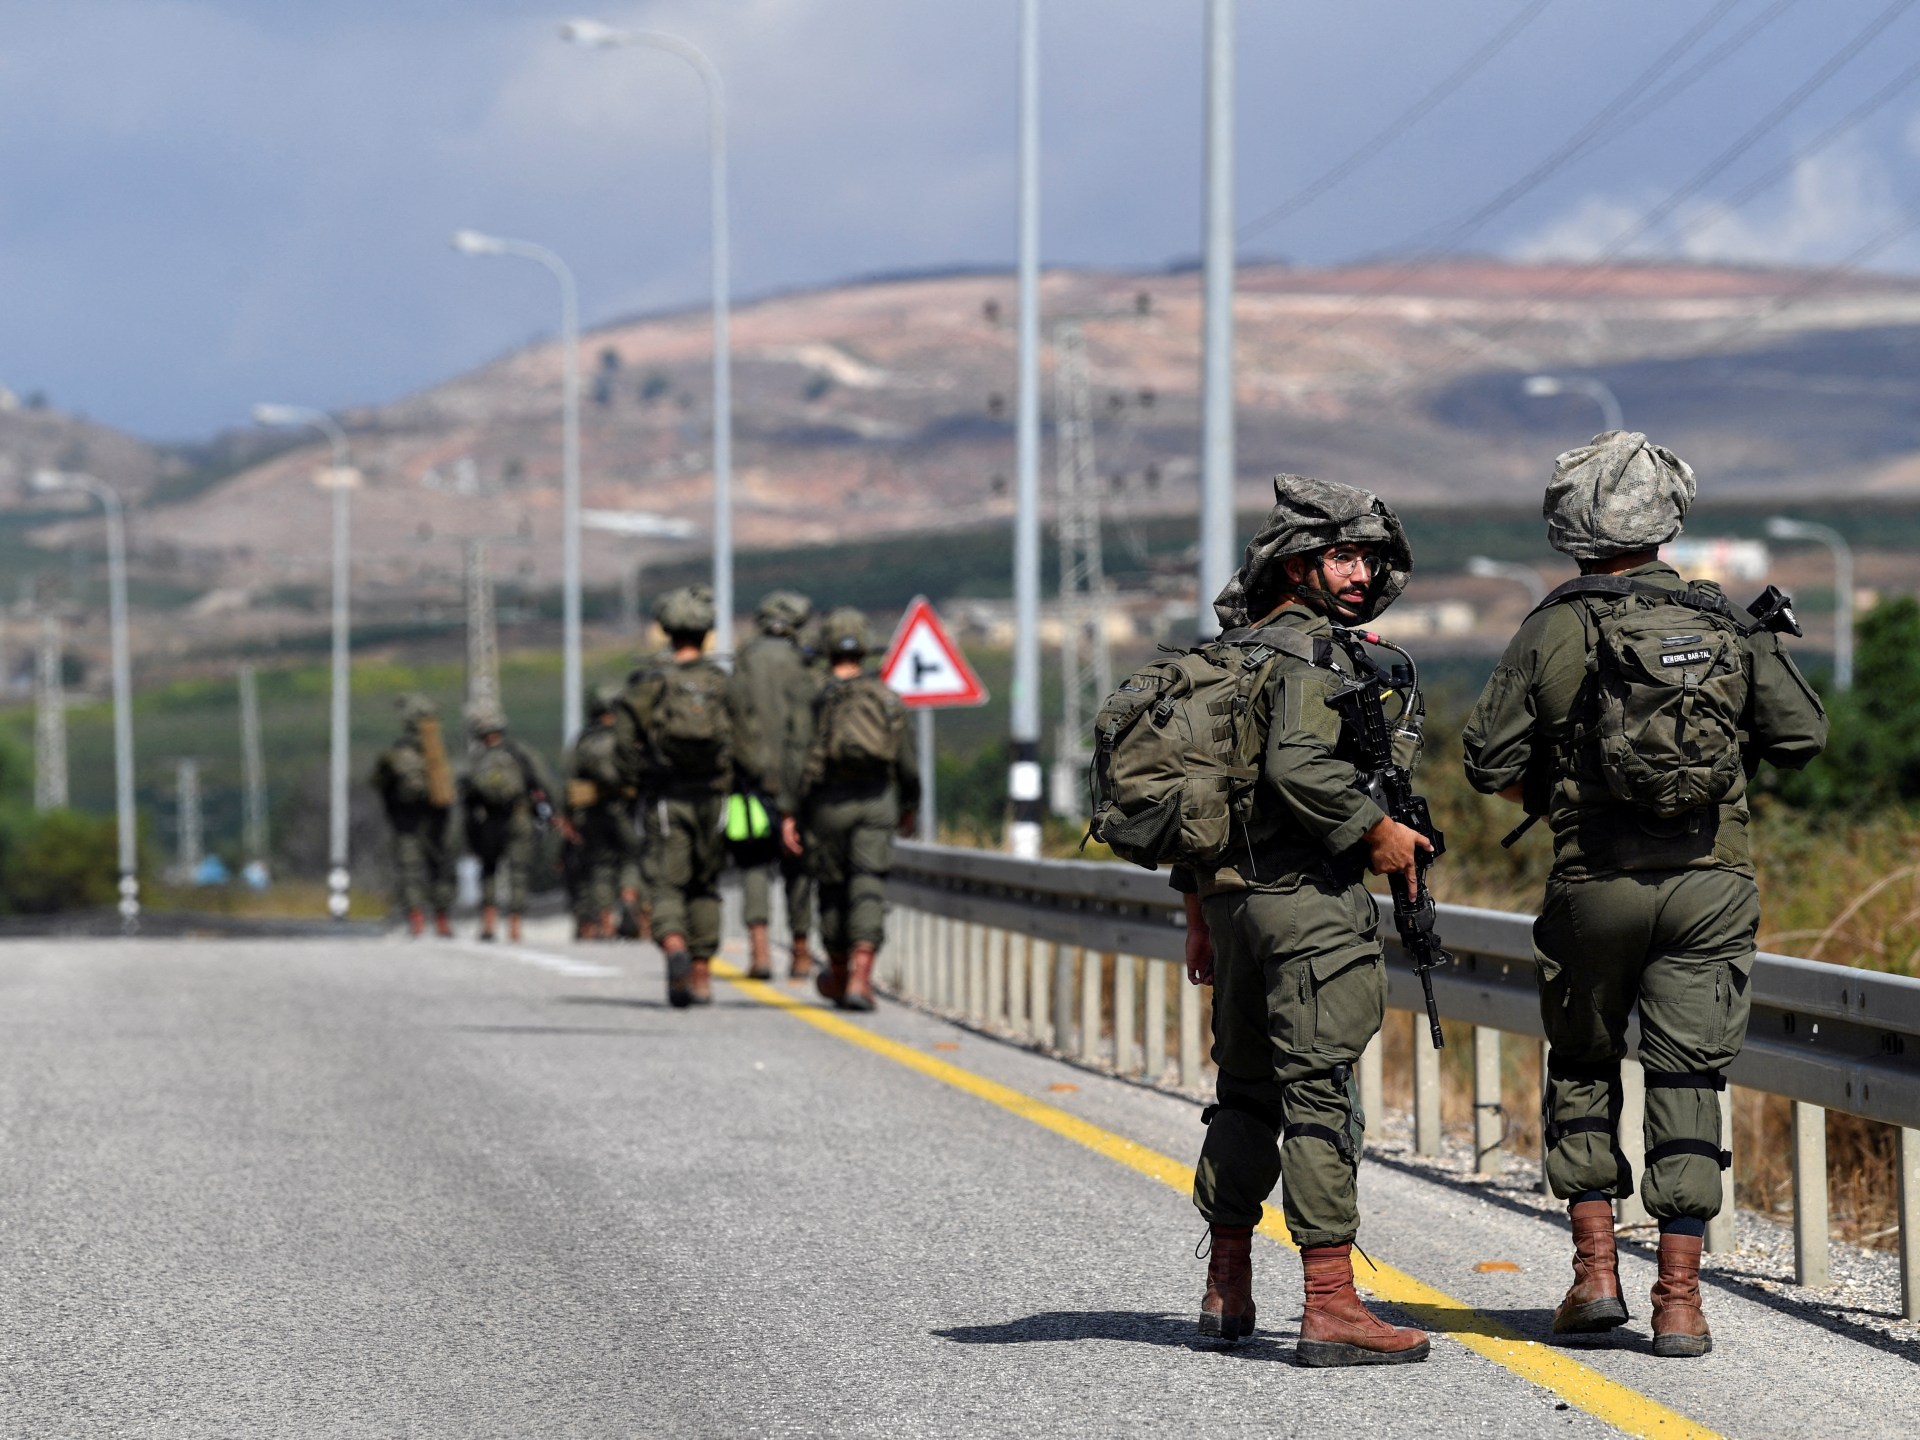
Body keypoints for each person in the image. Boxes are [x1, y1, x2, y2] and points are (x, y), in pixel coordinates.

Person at [1461, 431, 1828, 1358]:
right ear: (1667, 519)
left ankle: (1594, 1276)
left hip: (1594, 882)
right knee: (1687, 1074)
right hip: (1710, 882)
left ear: (1570, 526)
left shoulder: (1551, 626)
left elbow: (1486, 761)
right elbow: (1801, 738)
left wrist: (1561, 790)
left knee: (1583, 1062)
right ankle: (1680, 1302)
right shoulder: (1722, 619)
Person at [1179, 475, 1431, 1366]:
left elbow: (1202, 794)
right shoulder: (1316, 660)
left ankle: (1227, 1283)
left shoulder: (1232, 654)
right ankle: (1330, 1304)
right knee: (1319, 1097)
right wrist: (1378, 833)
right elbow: (1296, 767)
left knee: (1244, 1092)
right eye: (1343, 557)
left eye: (1367, 558)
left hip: (1232, 904)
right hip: (1307, 907)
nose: (1361, 575)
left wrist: (1198, 915)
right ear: (1298, 566)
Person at [779, 607, 918, 1013]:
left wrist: (789, 812)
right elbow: (908, 764)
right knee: (868, 885)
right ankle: (862, 974)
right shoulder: (886, 698)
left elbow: (796, 758)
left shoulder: (813, 698)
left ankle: (838, 973)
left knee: (832, 888)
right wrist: (908, 806)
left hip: (828, 806)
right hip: (877, 802)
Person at [616, 585, 736, 1008]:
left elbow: (624, 745)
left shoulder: (649, 684)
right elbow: (747, 741)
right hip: (715, 799)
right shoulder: (722, 683)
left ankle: (674, 947)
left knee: (667, 883)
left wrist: (636, 783)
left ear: (667, 632)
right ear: (706, 633)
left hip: (667, 798)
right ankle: (701, 977)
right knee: (705, 884)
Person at [729, 589, 820, 981]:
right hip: (800, 783)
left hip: (750, 780)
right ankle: (800, 952)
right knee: (798, 867)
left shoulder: (745, 659)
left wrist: (748, 766)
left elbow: (734, 715)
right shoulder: (804, 661)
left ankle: (760, 951)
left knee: (753, 863)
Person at [459, 699, 562, 943]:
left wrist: (471, 836)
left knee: (489, 870)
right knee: (519, 872)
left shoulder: (476, 760)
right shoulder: (520, 753)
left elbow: (467, 800)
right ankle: (515, 924)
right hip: (519, 817)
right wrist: (555, 812)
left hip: (489, 822)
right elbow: (543, 781)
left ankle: (488, 922)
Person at [369, 694, 457, 937]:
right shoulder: (438, 755)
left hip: (406, 822)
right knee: (440, 868)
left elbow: (379, 785)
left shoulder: (396, 754)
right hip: (437, 820)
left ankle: (416, 918)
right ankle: (442, 919)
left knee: (410, 870)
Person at [564, 686, 639, 940]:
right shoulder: (627, 737)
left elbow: (571, 783)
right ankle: (629, 898)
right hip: (626, 811)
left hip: (594, 814)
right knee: (631, 858)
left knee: (600, 866)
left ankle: (606, 923)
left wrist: (567, 817)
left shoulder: (584, 741)